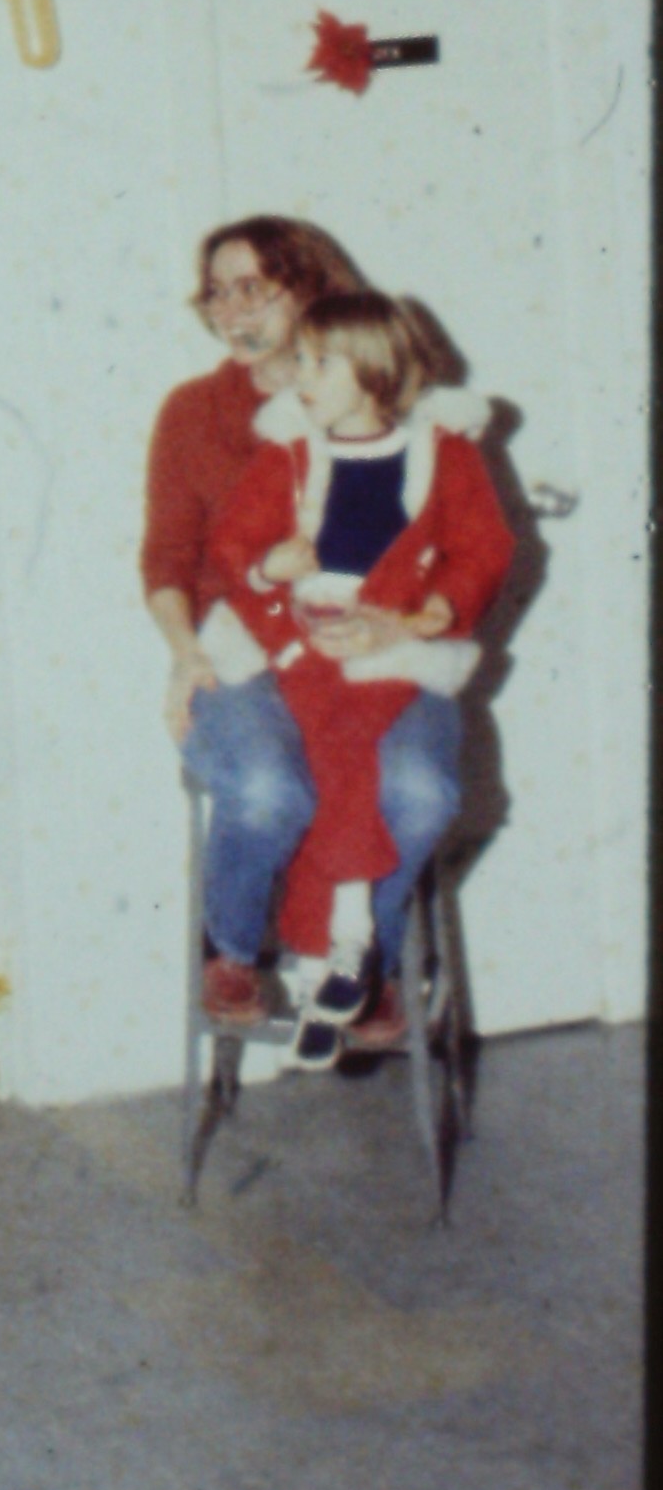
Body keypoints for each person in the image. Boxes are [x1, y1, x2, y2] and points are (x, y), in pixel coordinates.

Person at [141, 216, 450, 1050]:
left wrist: (408, 622)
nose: (230, 311)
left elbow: (458, 554)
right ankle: (232, 948)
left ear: (312, 288)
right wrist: (184, 655)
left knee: (419, 792)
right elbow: (167, 558)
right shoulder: (194, 412)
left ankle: (363, 961)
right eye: (215, 293)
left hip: (374, 653)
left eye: (251, 288)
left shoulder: (388, 405)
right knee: (268, 791)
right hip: (244, 652)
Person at [202, 293, 512, 1067]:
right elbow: (232, 544)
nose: (297, 377)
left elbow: (482, 549)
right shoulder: (287, 451)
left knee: (384, 778)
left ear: (373, 372)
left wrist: (423, 616)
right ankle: (340, 954)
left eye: (317, 363)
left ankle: (339, 955)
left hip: (392, 649)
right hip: (298, 639)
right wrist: (269, 568)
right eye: (298, 362)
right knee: (330, 766)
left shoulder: (441, 451)